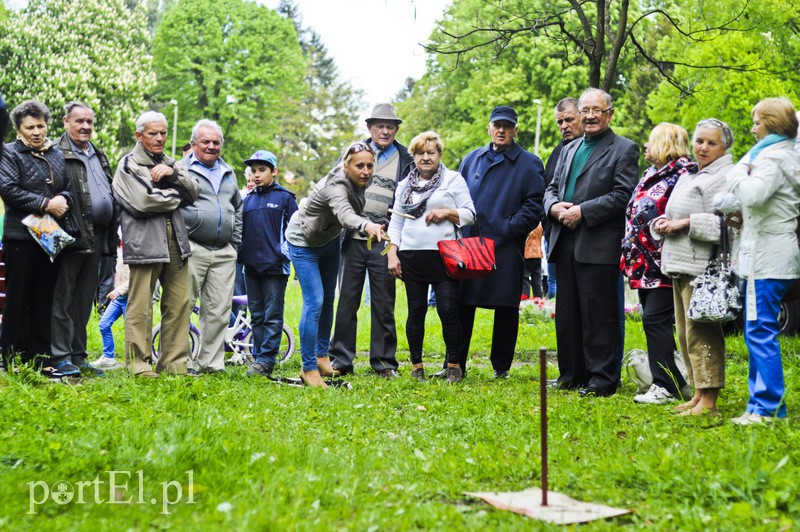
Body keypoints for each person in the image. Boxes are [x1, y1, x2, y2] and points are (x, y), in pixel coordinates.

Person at [544, 88, 639, 397]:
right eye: (585, 110)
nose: (590, 116)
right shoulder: (569, 149)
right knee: (568, 313)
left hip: (598, 242)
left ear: (609, 114)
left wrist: (583, 212)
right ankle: (571, 375)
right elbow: (552, 187)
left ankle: (601, 379)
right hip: (564, 239)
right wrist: (553, 207)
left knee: (599, 314)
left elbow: (622, 194)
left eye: (597, 110)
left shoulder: (624, 149)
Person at [449, 105, 544, 379]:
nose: (501, 130)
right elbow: (455, 194)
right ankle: (456, 363)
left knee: (505, 308)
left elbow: (533, 205)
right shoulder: (472, 159)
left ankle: (501, 367)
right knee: (462, 305)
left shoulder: (529, 163)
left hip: (505, 247)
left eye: (507, 126)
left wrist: (508, 229)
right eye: (497, 125)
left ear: (515, 130)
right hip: (470, 245)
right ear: (489, 128)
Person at [285, 141, 385, 387]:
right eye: (359, 166)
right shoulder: (336, 185)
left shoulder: (361, 180)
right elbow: (344, 213)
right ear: (345, 165)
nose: (366, 171)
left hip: (328, 240)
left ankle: (321, 357)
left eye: (370, 166)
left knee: (329, 299)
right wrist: (366, 224)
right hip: (303, 242)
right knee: (315, 301)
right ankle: (307, 368)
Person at [652, 118, 734, 416]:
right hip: (679, 261)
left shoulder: (725, 176)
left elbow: (728, 226)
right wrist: (661, 223)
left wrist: (685, 223)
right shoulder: (690, 174)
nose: (702, 147)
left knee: (703, 333)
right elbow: (674, 212)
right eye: (699, 141)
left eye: (711, 142)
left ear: (725, 146)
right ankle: (698, 393)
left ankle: (710, 400)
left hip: (704, 267)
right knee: (686, 334)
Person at [726, 98, 800, 425]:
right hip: (770, 254)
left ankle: (769, 407)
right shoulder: (784, 155)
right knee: (757, 328)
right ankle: (758, 404)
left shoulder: (771, 158)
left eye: (757, 122)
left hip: (767, 258)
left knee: (759, 331)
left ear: (770, 123)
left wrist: (739, 168)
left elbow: (753, 194)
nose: (753, 128)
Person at [112, 111, 200, 377]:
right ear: (139, 135)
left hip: (176, 243)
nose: (160, 138)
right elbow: (143, 202)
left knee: (179, 304)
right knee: (140, 306)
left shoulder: (173, 163)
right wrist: (176, 195)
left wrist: (172, 176)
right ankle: (139, 365)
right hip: (144, 244)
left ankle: (174, 364)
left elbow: (194, 192)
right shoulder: (128, 164)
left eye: (163, 133)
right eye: (153, 133)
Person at [329, 103, 414, 379]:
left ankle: (384, 362)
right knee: (347, 302)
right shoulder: (354, 153)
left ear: (396, 130)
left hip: (385, 240)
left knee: (383, 302)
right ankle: (341, 359)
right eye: (380, 126)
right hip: (353, 237)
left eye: (390, 126)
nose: (385, 131)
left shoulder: (405, 159)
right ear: (370, 127)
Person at [386, 131, 475, 383]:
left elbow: (471, 213)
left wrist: (447, 213)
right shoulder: (404, 185)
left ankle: (454, 366)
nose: (426, 157)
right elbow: (396, 222)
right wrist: (393, 252)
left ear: (439, 154)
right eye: (420, 153)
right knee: (416, 311)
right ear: (413, 156)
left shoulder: (453, 179)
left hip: (444, 255)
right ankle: (417, 366)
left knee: (448, 309)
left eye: (431, 152)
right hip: (412, 255)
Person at [621, 123, 695, 404]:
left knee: (656, 321)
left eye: (652, 141)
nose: (647, 146)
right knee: (653, 322)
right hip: (643, 264)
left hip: (665, 261)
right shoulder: (651, 174)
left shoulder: (682, 174)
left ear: (665, 143)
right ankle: (671, 381)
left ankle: (665, 385)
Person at [0, 100, 73, 376]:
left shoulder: (55, 153)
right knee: (18, 299)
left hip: (49, 237)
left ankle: (41, 359)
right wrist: (46, 204)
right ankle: (9, 357)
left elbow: (67, 187)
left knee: (44, 299)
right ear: (19, 130)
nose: (36, 131)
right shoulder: (8, 153)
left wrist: (64, 200)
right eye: (30, 127)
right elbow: (8, 190)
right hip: (20, 237)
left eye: (40, 125)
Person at [52, 102, 117, 376]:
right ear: (66, 121)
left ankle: (78, 355)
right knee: (62, 298)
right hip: (70, 238)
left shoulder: (97, 153)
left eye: (89, 121)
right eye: (79, 121)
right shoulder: (56, 152)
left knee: (83, 299)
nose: (85, 126)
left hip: (98, 237)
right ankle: (60, 356)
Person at [180, 120, 242, 374]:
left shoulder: (228, 172)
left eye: (216, 142)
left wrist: (234, 243)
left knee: (218, 311)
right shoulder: (181, 169)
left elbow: (237, 208)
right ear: (193, 143)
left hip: (224, 251)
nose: (211, 146)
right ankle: (180, 362)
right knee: (181, 306)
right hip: (192, 248)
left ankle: (211, 364)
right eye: (205, 141)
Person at [239, 150, 298, 376]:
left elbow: (296, 231)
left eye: (262, 170)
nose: (256, 175)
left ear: (274, 171)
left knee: (272, 315)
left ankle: (267, 359)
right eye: (253, 170)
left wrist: (283, 254)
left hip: (275, 267)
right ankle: (258, 357)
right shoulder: (248, 200)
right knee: (257, 315)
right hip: (251, 268)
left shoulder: (285, 198)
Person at [543, 98, 584, 299]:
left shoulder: (599, 149)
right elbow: (548, 188)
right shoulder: (559, 150)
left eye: (569, 119)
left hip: (588, 237)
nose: (564, 126)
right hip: (557, 235)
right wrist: (551, 210)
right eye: (560, 122)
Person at [91, 242, 129, 370]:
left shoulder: (136, 256)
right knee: (104, 324)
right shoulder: (118, 255)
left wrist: (118, 291)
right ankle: (108, 357)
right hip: (118, 299)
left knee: (131, 331)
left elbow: (136, 278)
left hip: (129, 298)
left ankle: (136, 359)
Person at [522, 223, 544, 299]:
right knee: (537, 280)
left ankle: (525, 300)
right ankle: (538, 300)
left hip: (527, 254)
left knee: (525, 279)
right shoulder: (540, 225)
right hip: (538, 254)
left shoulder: (529, 224)